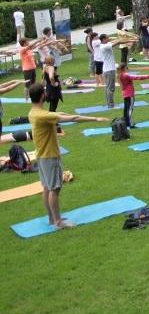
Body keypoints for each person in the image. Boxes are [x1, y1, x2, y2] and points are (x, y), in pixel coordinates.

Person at [28, 84, 108, 229]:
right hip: (49, 156)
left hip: (41, 155)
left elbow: (60, 114)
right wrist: (95, 119)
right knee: (54, 189)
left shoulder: (33, 112)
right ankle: (58, 222)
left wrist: (63, 114)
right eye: (44, 92)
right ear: (42, 95)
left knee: (47, 188)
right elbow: (74, 118)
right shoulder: (43, 116)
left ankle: (52, 219)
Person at [118, 62, 149, 128]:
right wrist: (147, 76)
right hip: (129, 94)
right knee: (129, 109)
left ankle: (127, 123)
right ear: (124, 68)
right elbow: (136, 77)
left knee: (126, 109)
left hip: (125, 94)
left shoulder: (120, 75)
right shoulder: (125, 75)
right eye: (126, 67)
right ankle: (131, 124)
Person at [97, 34, 126, 108]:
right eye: (107, 38)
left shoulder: (104, 45)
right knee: (111, 88)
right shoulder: (104, 46)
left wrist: (120, 39)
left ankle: (109, 103)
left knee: (108, 88)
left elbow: (113, 41)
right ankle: (111, 104)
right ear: (103, 39)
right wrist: (120, 40)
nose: (108, 39)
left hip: (107, 70)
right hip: (109, 70)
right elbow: (116, 43)